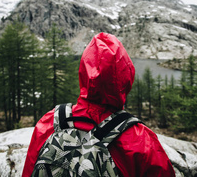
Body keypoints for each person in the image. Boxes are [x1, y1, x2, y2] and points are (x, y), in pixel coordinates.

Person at [22, 32, 175, 177]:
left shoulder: (50, 121)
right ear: (126, 76)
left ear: (83, 72)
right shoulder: (140, 139)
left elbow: (29, 171)